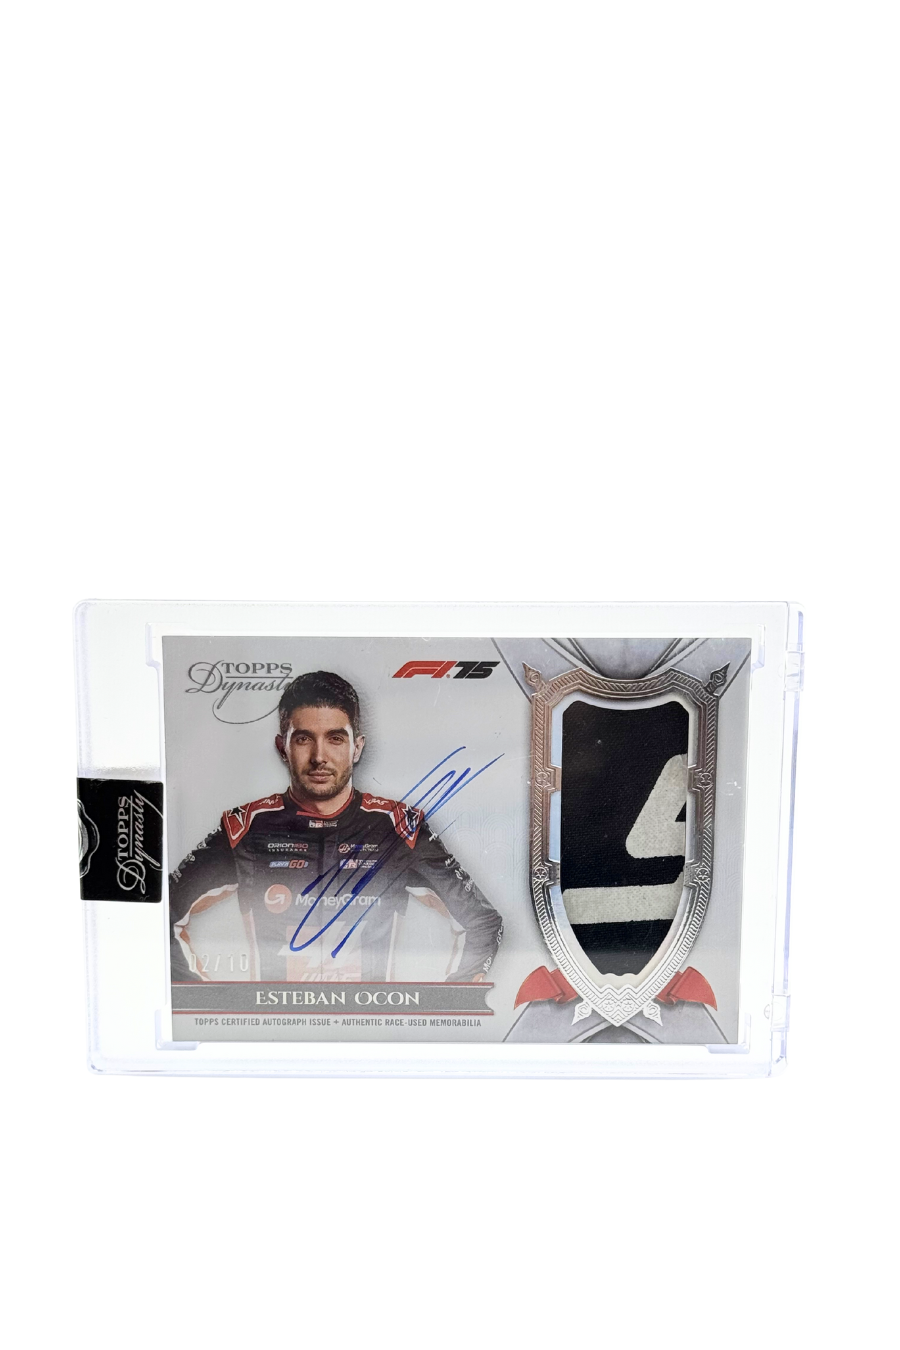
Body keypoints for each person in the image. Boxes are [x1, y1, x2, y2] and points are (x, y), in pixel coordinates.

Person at [170, 670, 503, 984]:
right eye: (303, 739)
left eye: (335, 739)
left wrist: (441, 1008)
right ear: (282, 748)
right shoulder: (245, 827)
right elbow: (162, 911)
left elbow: (483, 922)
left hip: (369, 1025)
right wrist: (207, 1004)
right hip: (278, 1024)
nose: (319, 756)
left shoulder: (399, 826)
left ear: (356, 748)